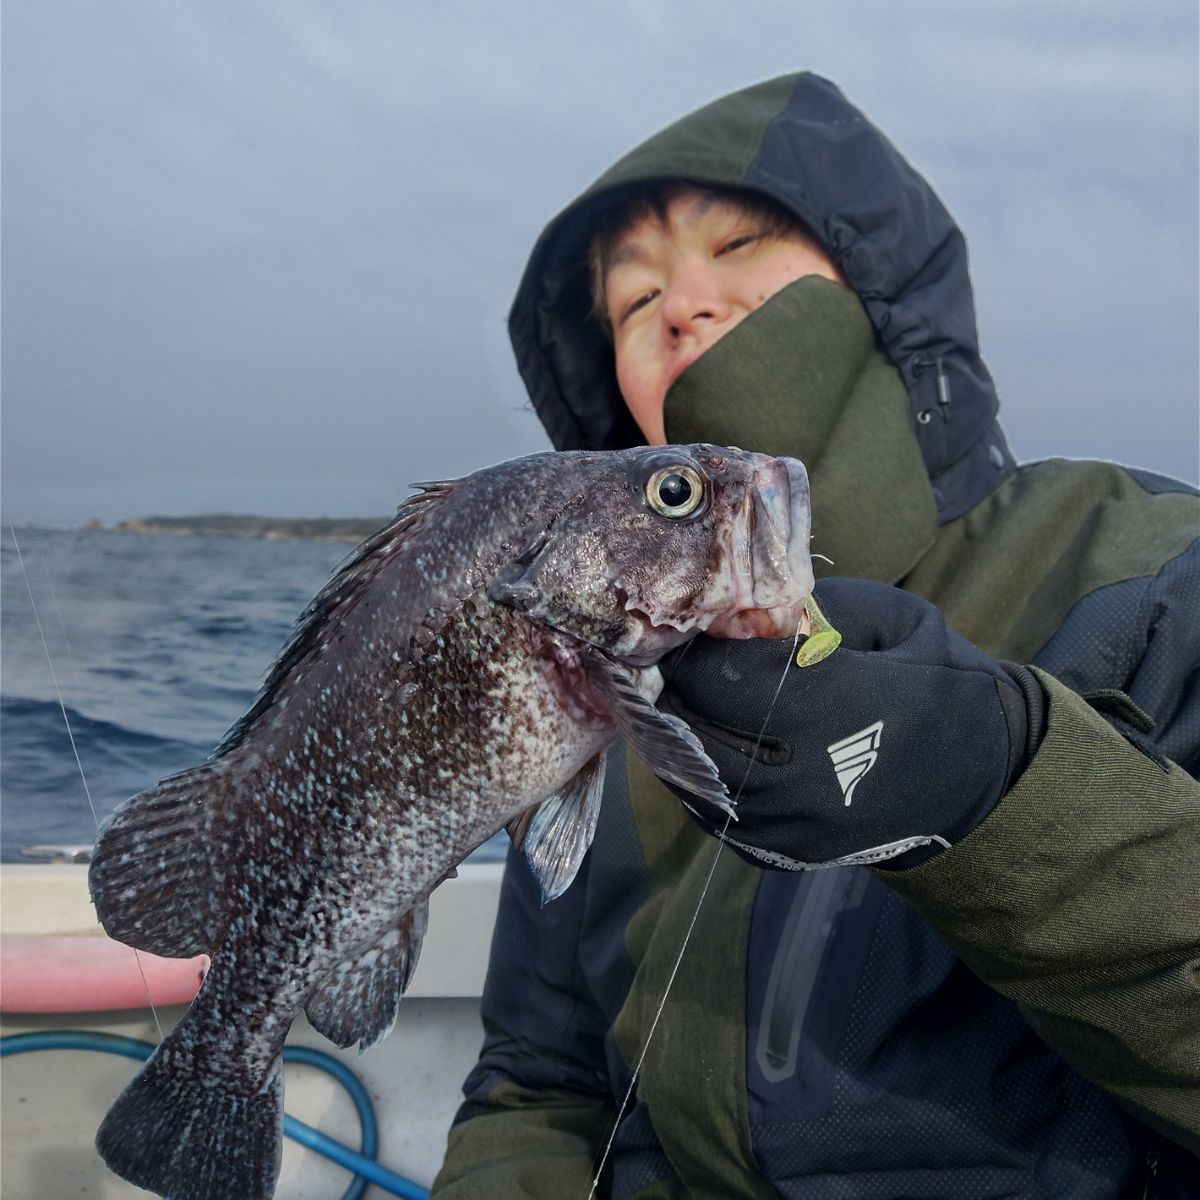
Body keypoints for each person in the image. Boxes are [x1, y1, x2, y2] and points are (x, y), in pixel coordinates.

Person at [433, 73, 1200, 1198]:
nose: (683, 305)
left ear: (885, 283)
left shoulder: (1146, 566)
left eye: (738, 243)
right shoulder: (588, 693)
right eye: (633, 307)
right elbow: (536, 1082)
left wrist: (1001, 786)